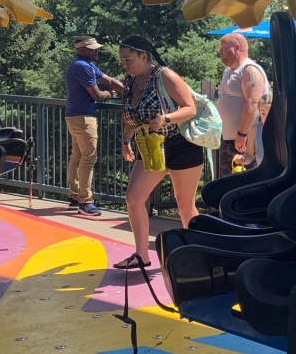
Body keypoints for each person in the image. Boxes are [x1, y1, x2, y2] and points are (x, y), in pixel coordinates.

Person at [114, 35, 203, 270]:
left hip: (181, 143)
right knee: (133, 199)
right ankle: (141, 255)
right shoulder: (130, 81)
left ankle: (198, 254)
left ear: (144, 56)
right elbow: (129, 115)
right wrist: (126, 141)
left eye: (128, 60)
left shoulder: (164, 75)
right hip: (150, 145)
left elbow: (190, 108)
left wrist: (166, 118)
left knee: (185, 204)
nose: (125, 65)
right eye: (122, 61)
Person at [64, 36, 125, 217]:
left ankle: (75, 196)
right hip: (83, 117)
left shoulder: (85, 64)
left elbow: (109, 80)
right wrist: (108, 94)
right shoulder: (82, 66)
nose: (97, 51)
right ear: (81, 50)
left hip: (75, 116)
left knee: (77, 156)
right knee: (88, 158)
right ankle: (85, 201)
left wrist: (129, 91)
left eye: (97, 48)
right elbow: (97, 95)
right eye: (93, 49)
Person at [216, 33, 270, 176]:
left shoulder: (250, 70)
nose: (220, 52)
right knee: (227, 187)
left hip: (245, 142)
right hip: (230, 139)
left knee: (246, 186)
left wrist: (242, 134)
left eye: (223, 48)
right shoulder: (229, 70)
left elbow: (253, 104)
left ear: (237, 47)